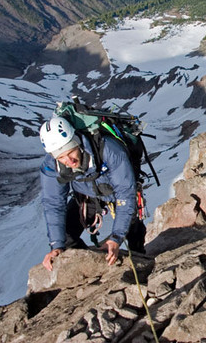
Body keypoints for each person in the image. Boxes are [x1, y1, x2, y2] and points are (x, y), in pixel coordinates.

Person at [39, 116, 146, 271]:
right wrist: (56, 245)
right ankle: (91, 268)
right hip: (87, 195)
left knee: (132, 232)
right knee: (66, 235)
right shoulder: (51, 165)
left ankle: (141, 263)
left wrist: (116, 238)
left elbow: (124, 193)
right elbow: (53, 203)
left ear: (77, 142)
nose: (69, 161)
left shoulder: (109, 149)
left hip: (118, 193)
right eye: (61, 157)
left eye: (70, 152)